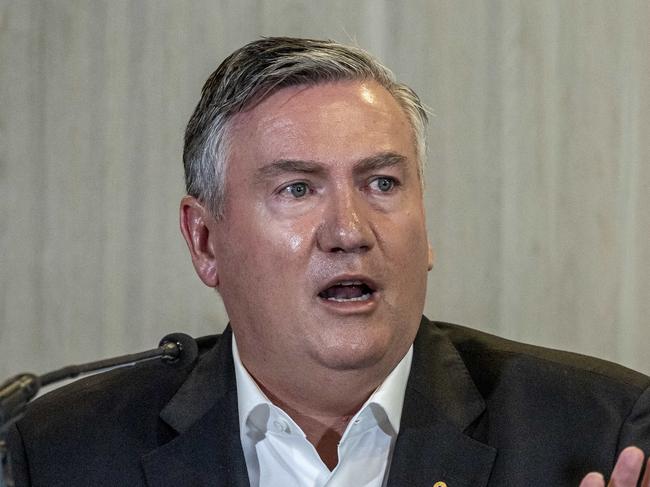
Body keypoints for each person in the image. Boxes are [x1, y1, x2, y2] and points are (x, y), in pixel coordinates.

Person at [6, 37, 650, 487]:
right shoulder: (60, 451)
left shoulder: (601, 432)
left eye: (382, 184)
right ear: (204, 242)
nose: (348, 231)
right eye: (297, 189)